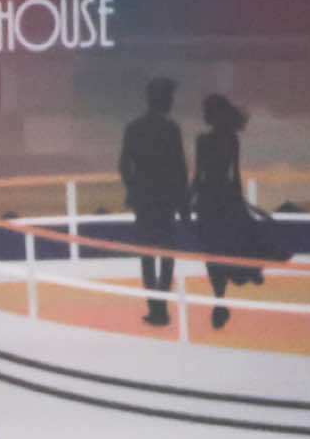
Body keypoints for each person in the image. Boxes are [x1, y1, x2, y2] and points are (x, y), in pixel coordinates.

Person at [190, 93, 286, 328]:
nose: (205, 115)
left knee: (217, 249)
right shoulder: (228, 140)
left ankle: (221, 297)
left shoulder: (211, 140)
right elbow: (231, 176)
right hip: (221, 198)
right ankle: (230, 289)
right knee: (228, 244)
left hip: (211, 201)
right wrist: (241, 202)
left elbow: (202, 177)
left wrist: (188, 199)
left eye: (207, 111)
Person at [120, 76, 189, 326]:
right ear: (161, 99)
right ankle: (161, 306)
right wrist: (183, 205)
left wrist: (135, 189)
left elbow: (124, 166)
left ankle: (155, 307)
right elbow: (180, 171)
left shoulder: (133, 128)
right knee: (167, 255)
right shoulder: (171, 130)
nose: (172, 101)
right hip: (166, 202)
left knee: (147, 256)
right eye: (169, 97)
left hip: (144, 202)